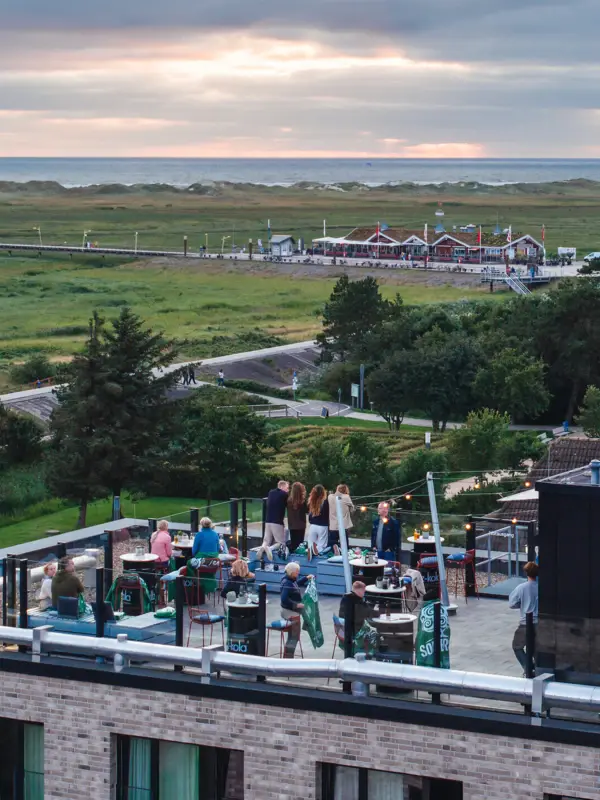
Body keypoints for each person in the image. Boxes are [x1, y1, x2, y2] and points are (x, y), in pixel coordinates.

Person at [509, 561, 539, 672]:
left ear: (526, 573)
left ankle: (527, 667)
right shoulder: (540, 588)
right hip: (539, 623)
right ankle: (537, 668)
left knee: (517, 646)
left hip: (525, 623)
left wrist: (521, 605)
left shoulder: (521, 588)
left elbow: (512, 603)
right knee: (537, 648)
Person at [280, 562, 312, 658]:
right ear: (291, 572)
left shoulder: (289, 580)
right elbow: (284, 599)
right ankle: (288, 658)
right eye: (297, 572)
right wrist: (296, 605)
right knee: (294, 636)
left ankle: (288, 656)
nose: (298, 573)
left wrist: (306, 578)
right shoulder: (287, 583)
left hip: (290, 610)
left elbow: (296, 585)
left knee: (294, 636)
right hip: (289, 611)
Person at [257, 480, 289, 561]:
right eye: (287, 488)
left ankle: (263, 547)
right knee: (280, 542)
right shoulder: (284, 494)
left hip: (268, 521)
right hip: (277, 522)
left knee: (266, 540)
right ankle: (270, 549)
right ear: (281, 486)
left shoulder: (271, 492)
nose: (288, 490)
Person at [328, 484, 354, 554]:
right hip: (343, 526)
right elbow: (352, 509)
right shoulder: (346, 497)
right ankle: (343, 554)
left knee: (333, 543)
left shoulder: (330, 497)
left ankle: (334, 553)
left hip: (333, 526)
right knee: (344, 544)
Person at [307, 484, 329, 558]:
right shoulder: (326, 502)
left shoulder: (311, 501)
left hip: (313, 525)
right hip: (323, 526)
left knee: (311, 541)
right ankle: (318, 554)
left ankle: (310, 550)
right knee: (322, 544)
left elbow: (309, 514)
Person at [287, 481, 308, 552]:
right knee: (300, 544)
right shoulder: (302, 501)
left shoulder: (289, 500)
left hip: (292, 524)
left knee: (293, 542)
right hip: (301, 524)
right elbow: (307, 510)